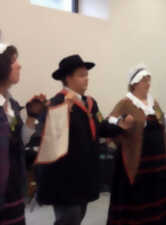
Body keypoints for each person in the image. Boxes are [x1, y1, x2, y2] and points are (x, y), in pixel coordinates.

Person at [36, 55, 123, 225]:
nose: (86, 79)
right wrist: (64, 110)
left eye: (87, 74)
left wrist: (121, 126)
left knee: (78, 217)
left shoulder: (90, 102)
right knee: (68, 219)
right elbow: (50, 137)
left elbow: (100, 127)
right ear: (68, 78)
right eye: (81, 75)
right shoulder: (57, 103)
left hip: (84, 175)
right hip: (64, 177)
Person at [106, 64, 166, 225]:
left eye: (149, 80)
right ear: (134, 83)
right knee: (140, 200)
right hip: (138, 161)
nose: (148, 83)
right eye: (144, 80)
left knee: (159, 197)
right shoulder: (126, 103)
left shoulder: (153, 103)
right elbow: (110, 122)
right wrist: (122, 122)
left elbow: (162, 121)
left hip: (157, 161)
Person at [0, 44, 45, 225]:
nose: (19, 65)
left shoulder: (11, 103)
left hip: (13, 189)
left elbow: (19, 141)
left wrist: (31, 117)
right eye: (13, 61)